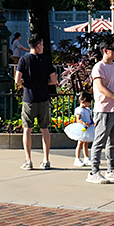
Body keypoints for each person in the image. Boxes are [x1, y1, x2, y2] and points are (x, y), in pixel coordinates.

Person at [86, 43, 114, 184]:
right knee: (99, 142)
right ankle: (94, 172)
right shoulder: (98, 67)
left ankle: (111, 170)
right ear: (105, 51)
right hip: (103, 110)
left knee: (113, 143)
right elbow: (101, 88)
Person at [14, 35, 59, 170]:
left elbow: (17, 80)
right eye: (42, 44)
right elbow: (53, 80)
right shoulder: (46, 60)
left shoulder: (24, 59)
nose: (43, 47)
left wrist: (25, 85)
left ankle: (28, 161)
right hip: (43, 98)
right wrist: (44, 82)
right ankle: (46, 159)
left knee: (27, 129)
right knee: (45, 129)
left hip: (29, 98)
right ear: (38, 45)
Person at [70, 91, 95, 167]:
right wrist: (84, 123)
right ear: (83, 102)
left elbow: (89, 118)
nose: (90, 104)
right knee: (80, 143)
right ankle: (77, 159)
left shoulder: (87, 110)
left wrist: (91, 122)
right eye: (88, 102)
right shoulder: (79, 110)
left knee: (86, 143)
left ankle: (86, 158)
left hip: (87, 128)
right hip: (82, 128)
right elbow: (78, 119)